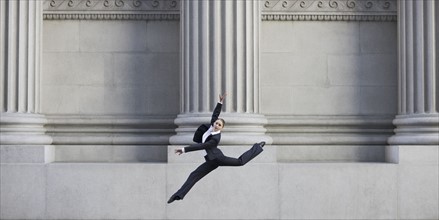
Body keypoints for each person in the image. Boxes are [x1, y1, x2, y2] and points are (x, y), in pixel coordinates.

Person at [167, 93, 265, 204]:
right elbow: (215, 114)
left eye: (219, 125)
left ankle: (258, 147)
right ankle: (178, 195)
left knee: (240, 162)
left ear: (221, 128)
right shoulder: (211, 126)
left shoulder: (215, 138)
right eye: (216, 123)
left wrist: (184, 150)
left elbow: (201, 146)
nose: (216, 124)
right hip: (211, 161)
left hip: (218, 158)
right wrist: (220, 102)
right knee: (194, 175)